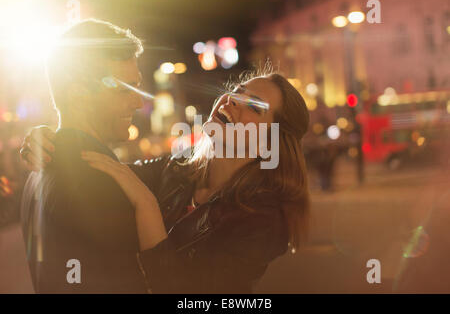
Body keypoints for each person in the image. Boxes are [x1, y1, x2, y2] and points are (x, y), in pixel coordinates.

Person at [21, 59, 311, 292]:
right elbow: (101, 172)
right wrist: (53, 140)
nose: (232, 101)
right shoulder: (174, 169)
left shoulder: (264, 222)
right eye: (237, 91)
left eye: (254, 107)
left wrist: (146, 206)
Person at [20, 19, 148, 293]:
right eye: (125, 88)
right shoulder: (98, 181)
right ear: (78, 94)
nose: (138, 102)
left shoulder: (39, 171)